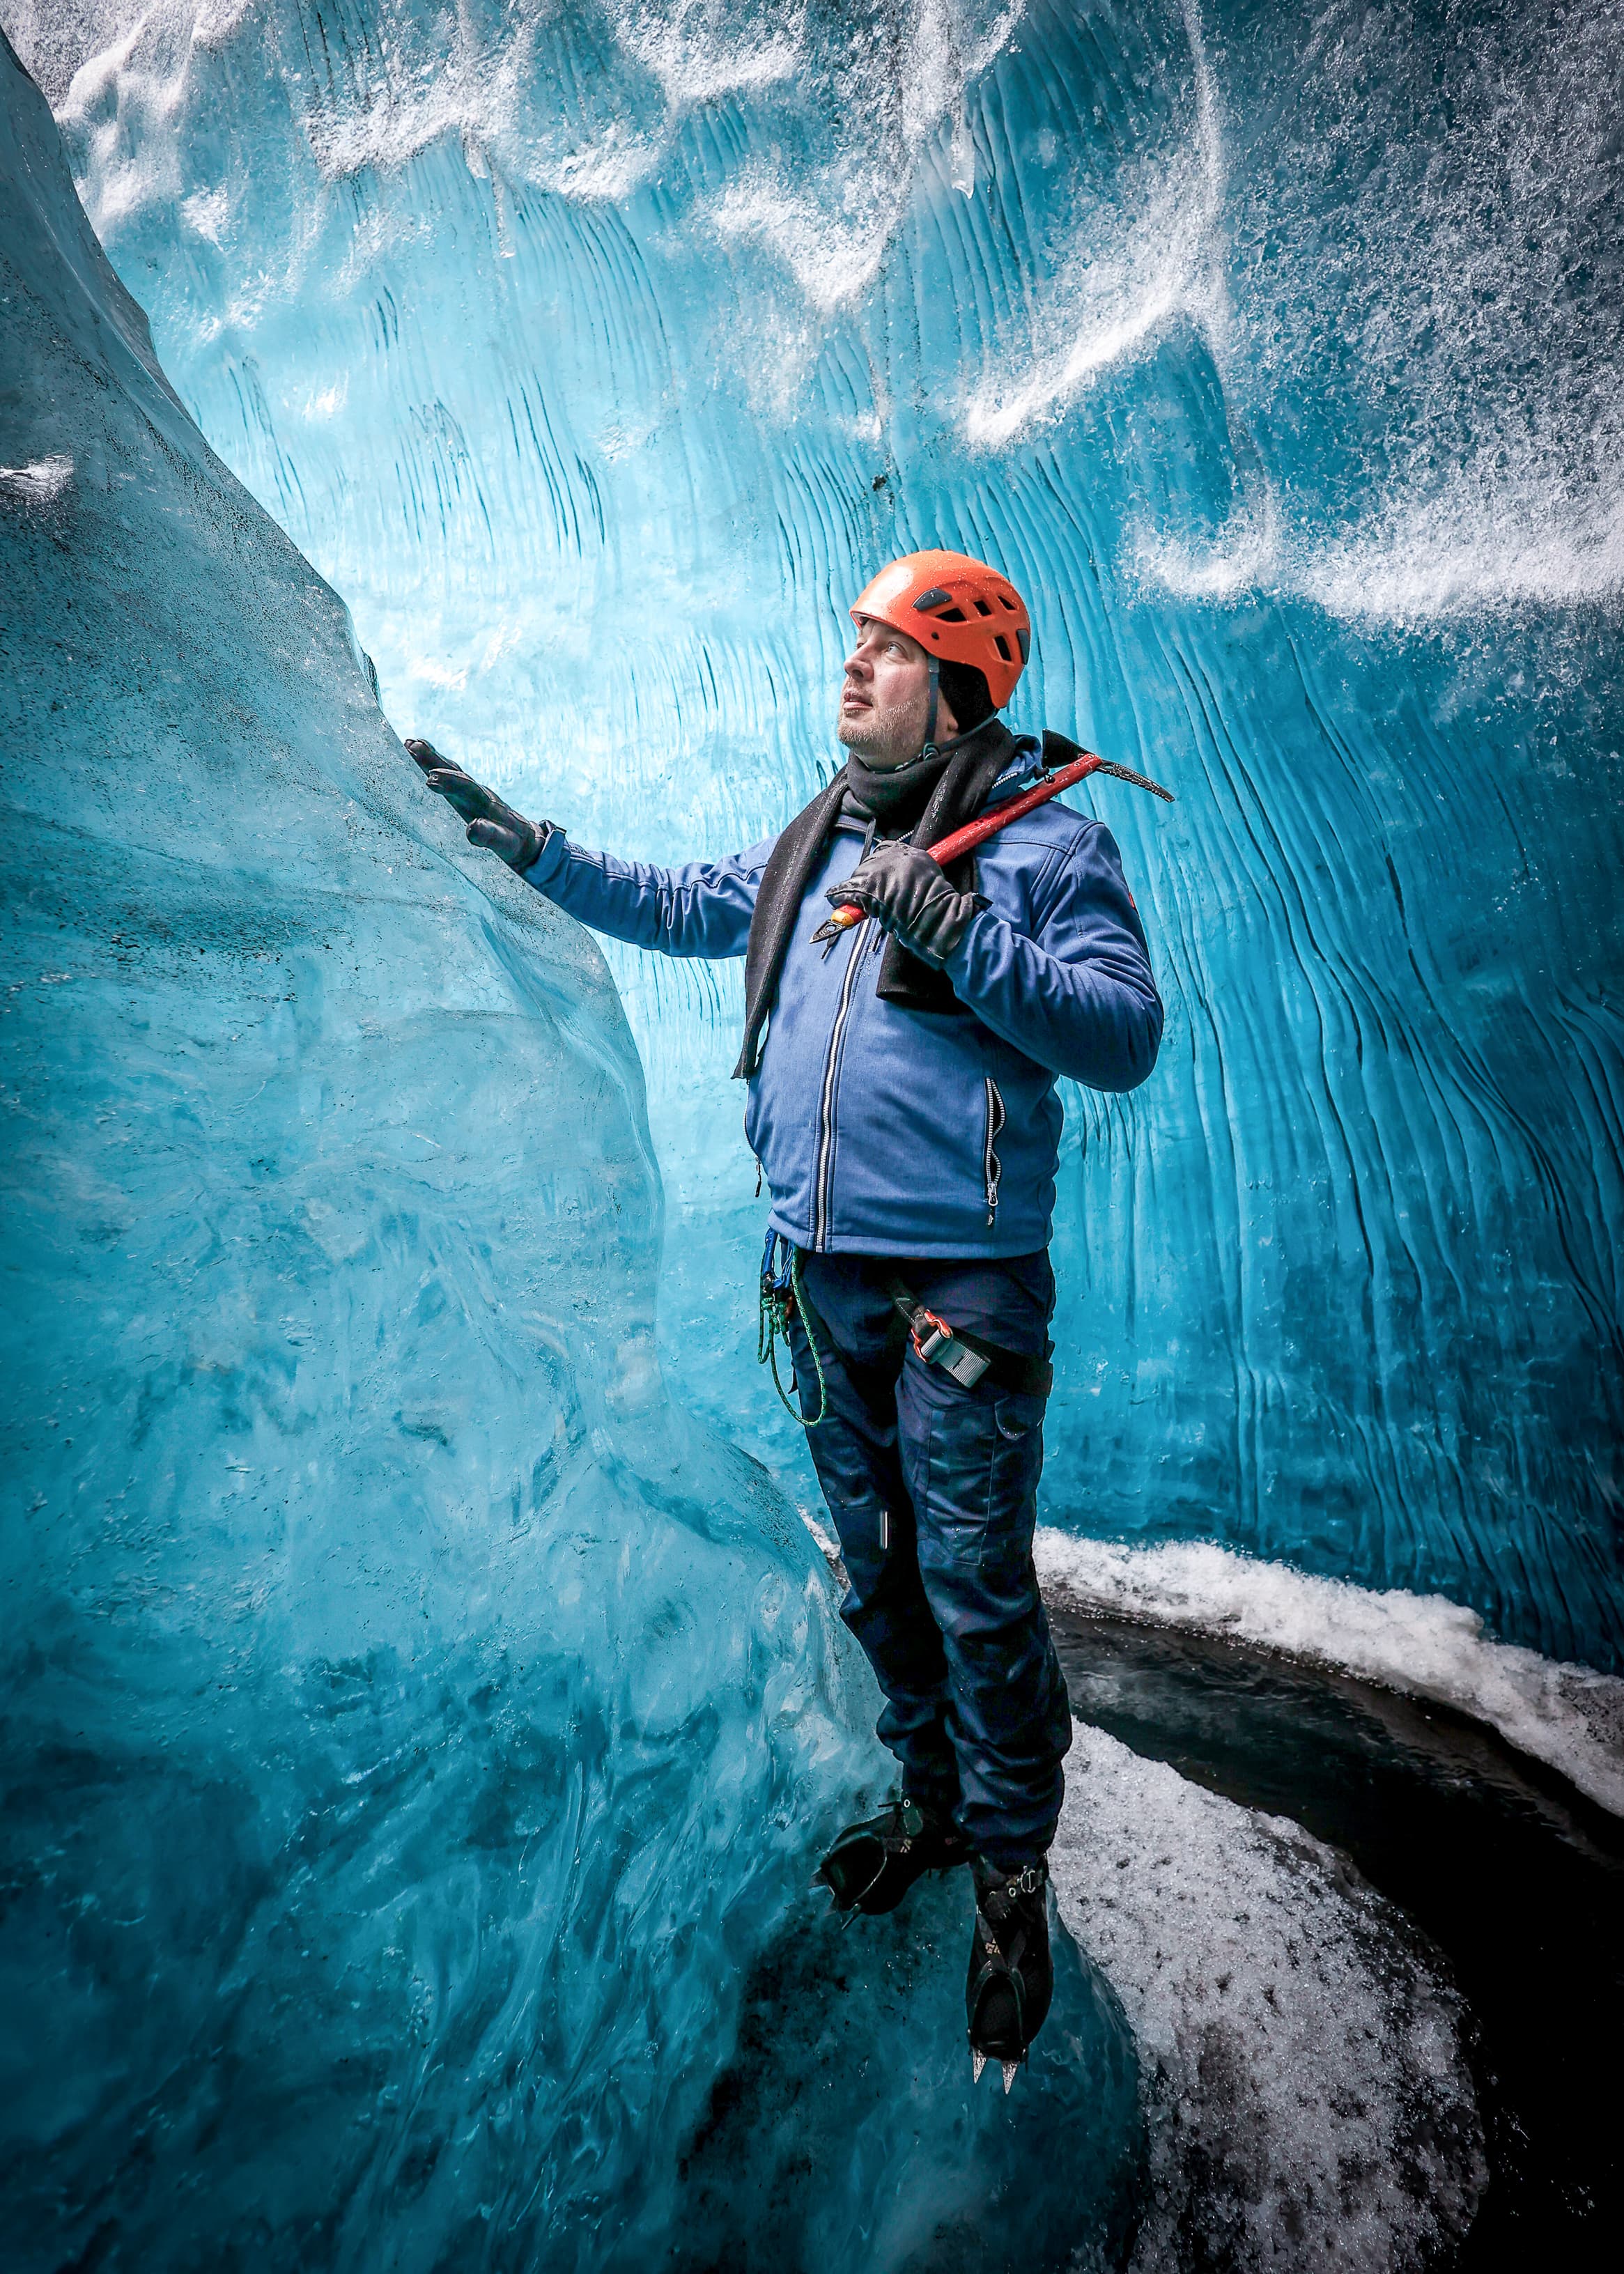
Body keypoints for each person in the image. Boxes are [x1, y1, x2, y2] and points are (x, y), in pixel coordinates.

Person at [407, 548, 1163, 2075]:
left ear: (958, 683)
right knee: (876, 1570)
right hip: (816, 1276)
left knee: (972, 1581)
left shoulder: (1041, 847)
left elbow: (1121, 1031)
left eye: (886, 650)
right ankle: (931, 1801)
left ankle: (1010, 1869)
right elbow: (698, 903)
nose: (853, 669)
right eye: (856, 641)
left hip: (960, 1287)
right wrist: (534, 849)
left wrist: (955, 929)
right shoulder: (824, 837)